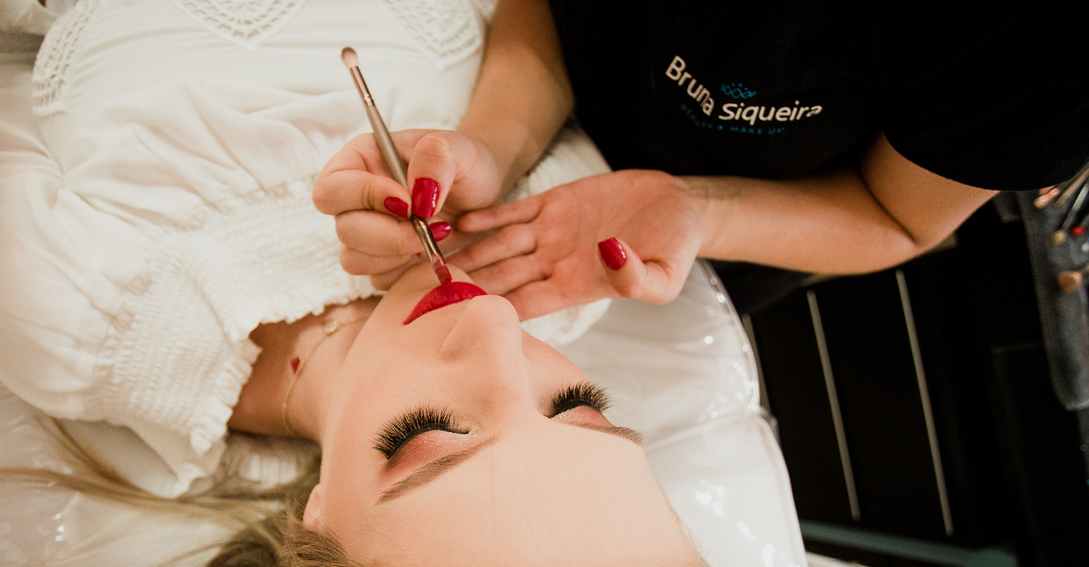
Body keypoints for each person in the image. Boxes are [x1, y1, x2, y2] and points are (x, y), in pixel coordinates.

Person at [0, 0, 720, 567]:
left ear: (314, 540)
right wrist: (493, 148)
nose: (496, 325)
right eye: (579, 406)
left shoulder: (72, 313)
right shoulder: (557, 254)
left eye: (430, 437)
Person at [314, 0, 1089, 316]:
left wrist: (698, 210)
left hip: (711, 243)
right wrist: (494, 145)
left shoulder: (1042, 43)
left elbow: (895, 215)